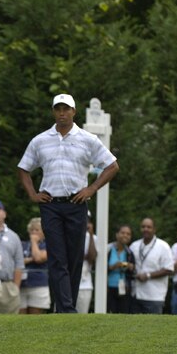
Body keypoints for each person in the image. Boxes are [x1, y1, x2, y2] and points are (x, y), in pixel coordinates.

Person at [17, 93, 119, 313]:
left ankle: (65, 306)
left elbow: (112, 165)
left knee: (74, 258)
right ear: (54, 111)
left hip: (76, 203)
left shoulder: (87, 139)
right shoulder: (40, 140)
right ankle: (65, 308)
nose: (62, 113)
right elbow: (23, 168)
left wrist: (92, 188)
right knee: (57, 256)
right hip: (50, 204)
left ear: (74, 111)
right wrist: (33, 194)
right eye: (58, 109)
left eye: (66, 109)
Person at [129, 217, 174, 314]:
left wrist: (148, 275)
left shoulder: (163, 246)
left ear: (154, 229)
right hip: (135, 294)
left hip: (154, 296)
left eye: (149, 227)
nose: (146, 229)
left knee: (152, 327)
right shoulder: (134, 246)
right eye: (143, 227)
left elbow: (169, 269)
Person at [0, 200, 24, 314]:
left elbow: (19, 264)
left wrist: (16, 288)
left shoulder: (13, 236)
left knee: (9, 321)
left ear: (4, 213)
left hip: (7, 284)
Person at [20, 217, 49, 314]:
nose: (33, 232)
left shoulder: (47, 245)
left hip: (39, 285)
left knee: (35, 317)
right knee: (19, 316)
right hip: (22, 285)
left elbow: (38, 258)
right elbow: (17, 261)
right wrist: (31, 259)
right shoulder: (23, 244)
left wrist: (34, 242)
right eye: (31, 230)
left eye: (37, 230)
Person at [107, 224, 134, 314]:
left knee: (123, 314)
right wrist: (114, 266)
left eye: (128, 234)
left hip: (124, 288)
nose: (125, 235)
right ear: (117, 234)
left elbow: (133, 271)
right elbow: (99, 269)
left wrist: (130, 267)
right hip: (108, 288)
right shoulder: (108, 249)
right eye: (122, 233)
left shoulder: (129, 253)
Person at [76, 216, 97, 314]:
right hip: (68, 283)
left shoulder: (94, 238)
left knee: (82, 315)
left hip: (85, 285)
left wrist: (91, 235)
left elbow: (91, 257)